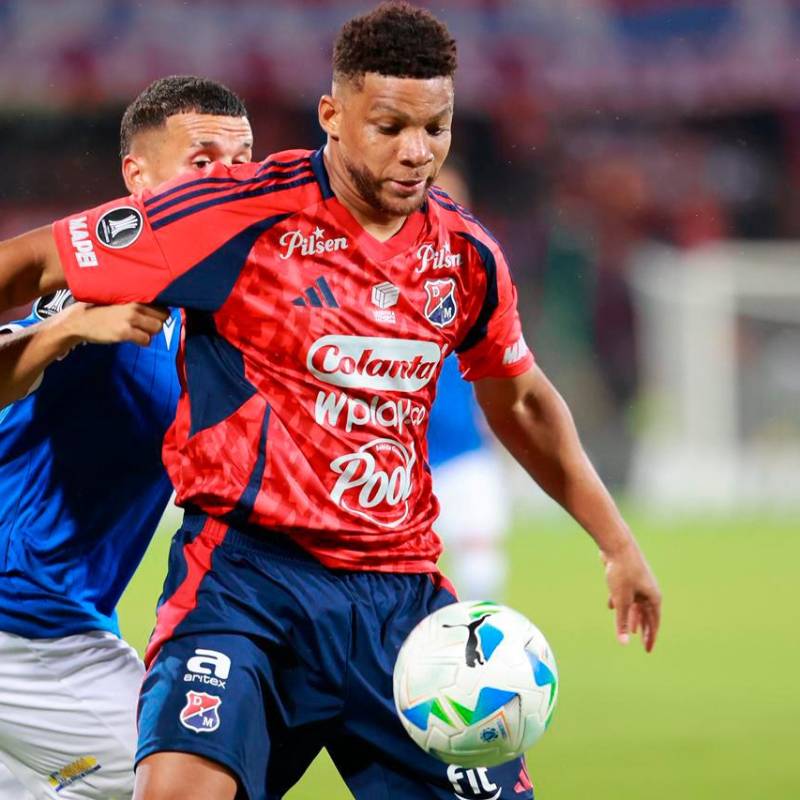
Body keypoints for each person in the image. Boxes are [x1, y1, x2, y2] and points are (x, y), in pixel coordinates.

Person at [0, 5, 661, 800]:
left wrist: (616, 542)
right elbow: (30, 264)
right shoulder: (227, 213)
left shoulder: (466, 255)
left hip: (395, 601)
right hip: (245, 583)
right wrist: (64, 326)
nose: (416, 151)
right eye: (390, 126)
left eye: (436, 128)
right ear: (333, 116)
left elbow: (519, 400)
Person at [0, 75, 252, 799]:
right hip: (23, 626)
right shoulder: (101, 275)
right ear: (137, 178)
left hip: (64, 620)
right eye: (202, 162)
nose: (229, 181)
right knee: (193, 776)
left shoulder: (208, 300)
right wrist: (67, 328)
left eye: (243, 162)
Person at [427, 162, 512, 601]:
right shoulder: (375, 268)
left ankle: (473, 638)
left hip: (464, 448)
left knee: (481, 565)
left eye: (452, 201)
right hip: (400, 452)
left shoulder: (479, 270)